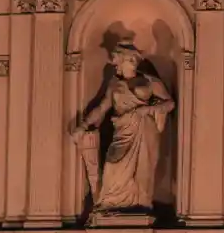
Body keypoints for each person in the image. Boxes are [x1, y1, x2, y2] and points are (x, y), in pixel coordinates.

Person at [71, 43, 175, 213]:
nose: (134, 61)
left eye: (135, 58)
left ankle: (141, 205)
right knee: (112, 167)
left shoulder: (150, 82)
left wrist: (149, 109)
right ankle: (110, 205)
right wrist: (83, 125)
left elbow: (170, 103)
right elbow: (102, 108)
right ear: (119, 62)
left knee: (143, 172)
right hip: (123, 130)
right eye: (129, 58)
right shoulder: (114, 85)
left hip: (145, 130)